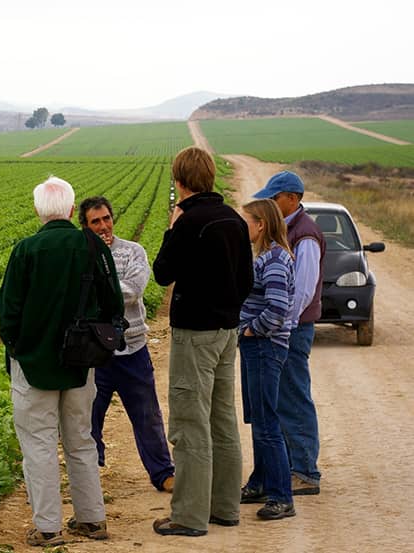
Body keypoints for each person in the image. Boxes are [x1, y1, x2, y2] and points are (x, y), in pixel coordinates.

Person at [0, 176, 125, 547]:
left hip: (33, 363)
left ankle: (48, 527)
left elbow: (8, 311)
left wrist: (19, 346)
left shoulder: (26, 250)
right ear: (72, 210)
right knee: (81, 440)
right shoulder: (93, 246)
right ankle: (91, 519)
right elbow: (114, 303)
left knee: (38, 444)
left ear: (39, 211)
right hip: (81, 363)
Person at [151, 146, 253, 536]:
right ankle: (225, 507)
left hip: (195, 335)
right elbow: (247, 282)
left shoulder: (190, 223)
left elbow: (162, 273)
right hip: (228, 333)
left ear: (179, 180)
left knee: (191, 423)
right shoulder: (234, 219)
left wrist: (171, 228)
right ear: (210, 176)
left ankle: (189, 516)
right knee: (222, 419)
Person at [78, 195, 175, 493]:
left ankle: (163, 473)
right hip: (95, 353)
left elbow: (132, 292)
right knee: (88, 418)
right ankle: (90, 474)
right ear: (85, 226)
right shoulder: (79, 255)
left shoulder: (133, 252)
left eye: (106, 218)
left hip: (132, 347)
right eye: (96, 221)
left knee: (147, 415)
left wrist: (98, 280)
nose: (104, 225)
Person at [250, 171, 325, 496]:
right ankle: (287, 468)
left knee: (293, 397)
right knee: (279, 399)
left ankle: (305, 471)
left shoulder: (304, 234)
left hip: (292, 329)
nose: (270, 203)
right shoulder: (290, 231)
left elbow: (303, 291)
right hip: (286, 328)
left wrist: (280, 326)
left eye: (274, 198)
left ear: (292, 198)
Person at [238, 199, 297, 520]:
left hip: (264, 346)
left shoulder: (273, 258)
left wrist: (249, 331)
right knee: (259, 418)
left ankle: (281, 496)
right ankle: (260, 483)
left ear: (260, 224)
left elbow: (276, 308)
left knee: (267, 423)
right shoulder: (265, 255)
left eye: (245, 220)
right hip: (258, 346)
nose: (242, 226)